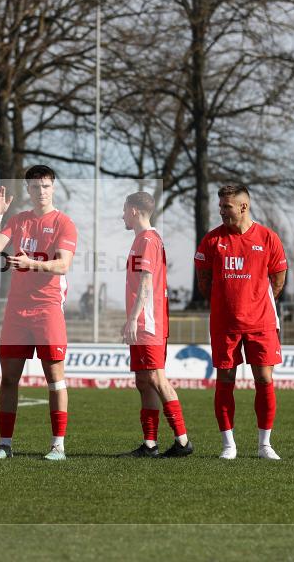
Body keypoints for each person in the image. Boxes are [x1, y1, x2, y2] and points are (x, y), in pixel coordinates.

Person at [0, 165, 77, 461]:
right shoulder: (19, 220)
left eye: (46, 187)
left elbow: (62, 265)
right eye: (35, 187)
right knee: (9, 378)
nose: (41, 192)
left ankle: (57, 446)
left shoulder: (64, 223)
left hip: (48, 308)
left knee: (54, 378)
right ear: (28, 190)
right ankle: (4, 444)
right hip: (16, 310)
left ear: (54, 188)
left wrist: (32, 264)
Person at [195, 184, 287, 460]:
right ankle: (228, 445)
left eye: (227, 207)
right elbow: (203, 282)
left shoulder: (268, 238)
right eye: (220, 206)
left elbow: (279, 279)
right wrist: (226, 302)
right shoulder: (211, 240)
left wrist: (256, 300)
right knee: (225, 380)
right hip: (225, 324)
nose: (221, 211)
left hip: (261, 323)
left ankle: (264, 445)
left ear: (243, 207)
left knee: (264, 378)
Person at [120, 192, 192, 458]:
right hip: (142, 322)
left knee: (156, 378)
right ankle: (149, 444)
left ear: (135, 211)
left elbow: (146, 283)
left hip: (148, 322)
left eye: (125, 210)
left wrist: (133, 318)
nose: (122, 215)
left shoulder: (148, 240)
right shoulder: (142, 239)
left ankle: (183, 441)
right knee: (143, 381)